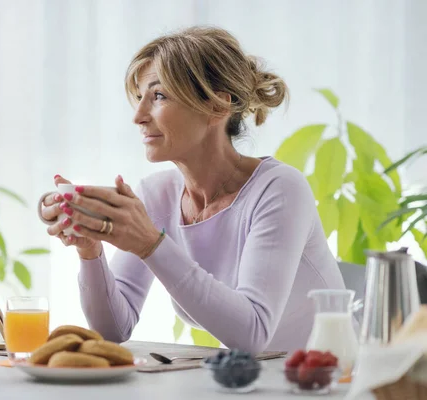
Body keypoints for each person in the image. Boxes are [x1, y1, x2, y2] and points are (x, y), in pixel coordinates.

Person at [38, 26, 346, 354]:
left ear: (216, 108)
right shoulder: (157, 195)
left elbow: (253, 334)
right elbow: (113, 329)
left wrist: (150, 244)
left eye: (158, 96)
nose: (138, 116)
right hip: (247, 383)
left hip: (328, 381)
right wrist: (90, 251)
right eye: (140, 97)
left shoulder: (280, 190)